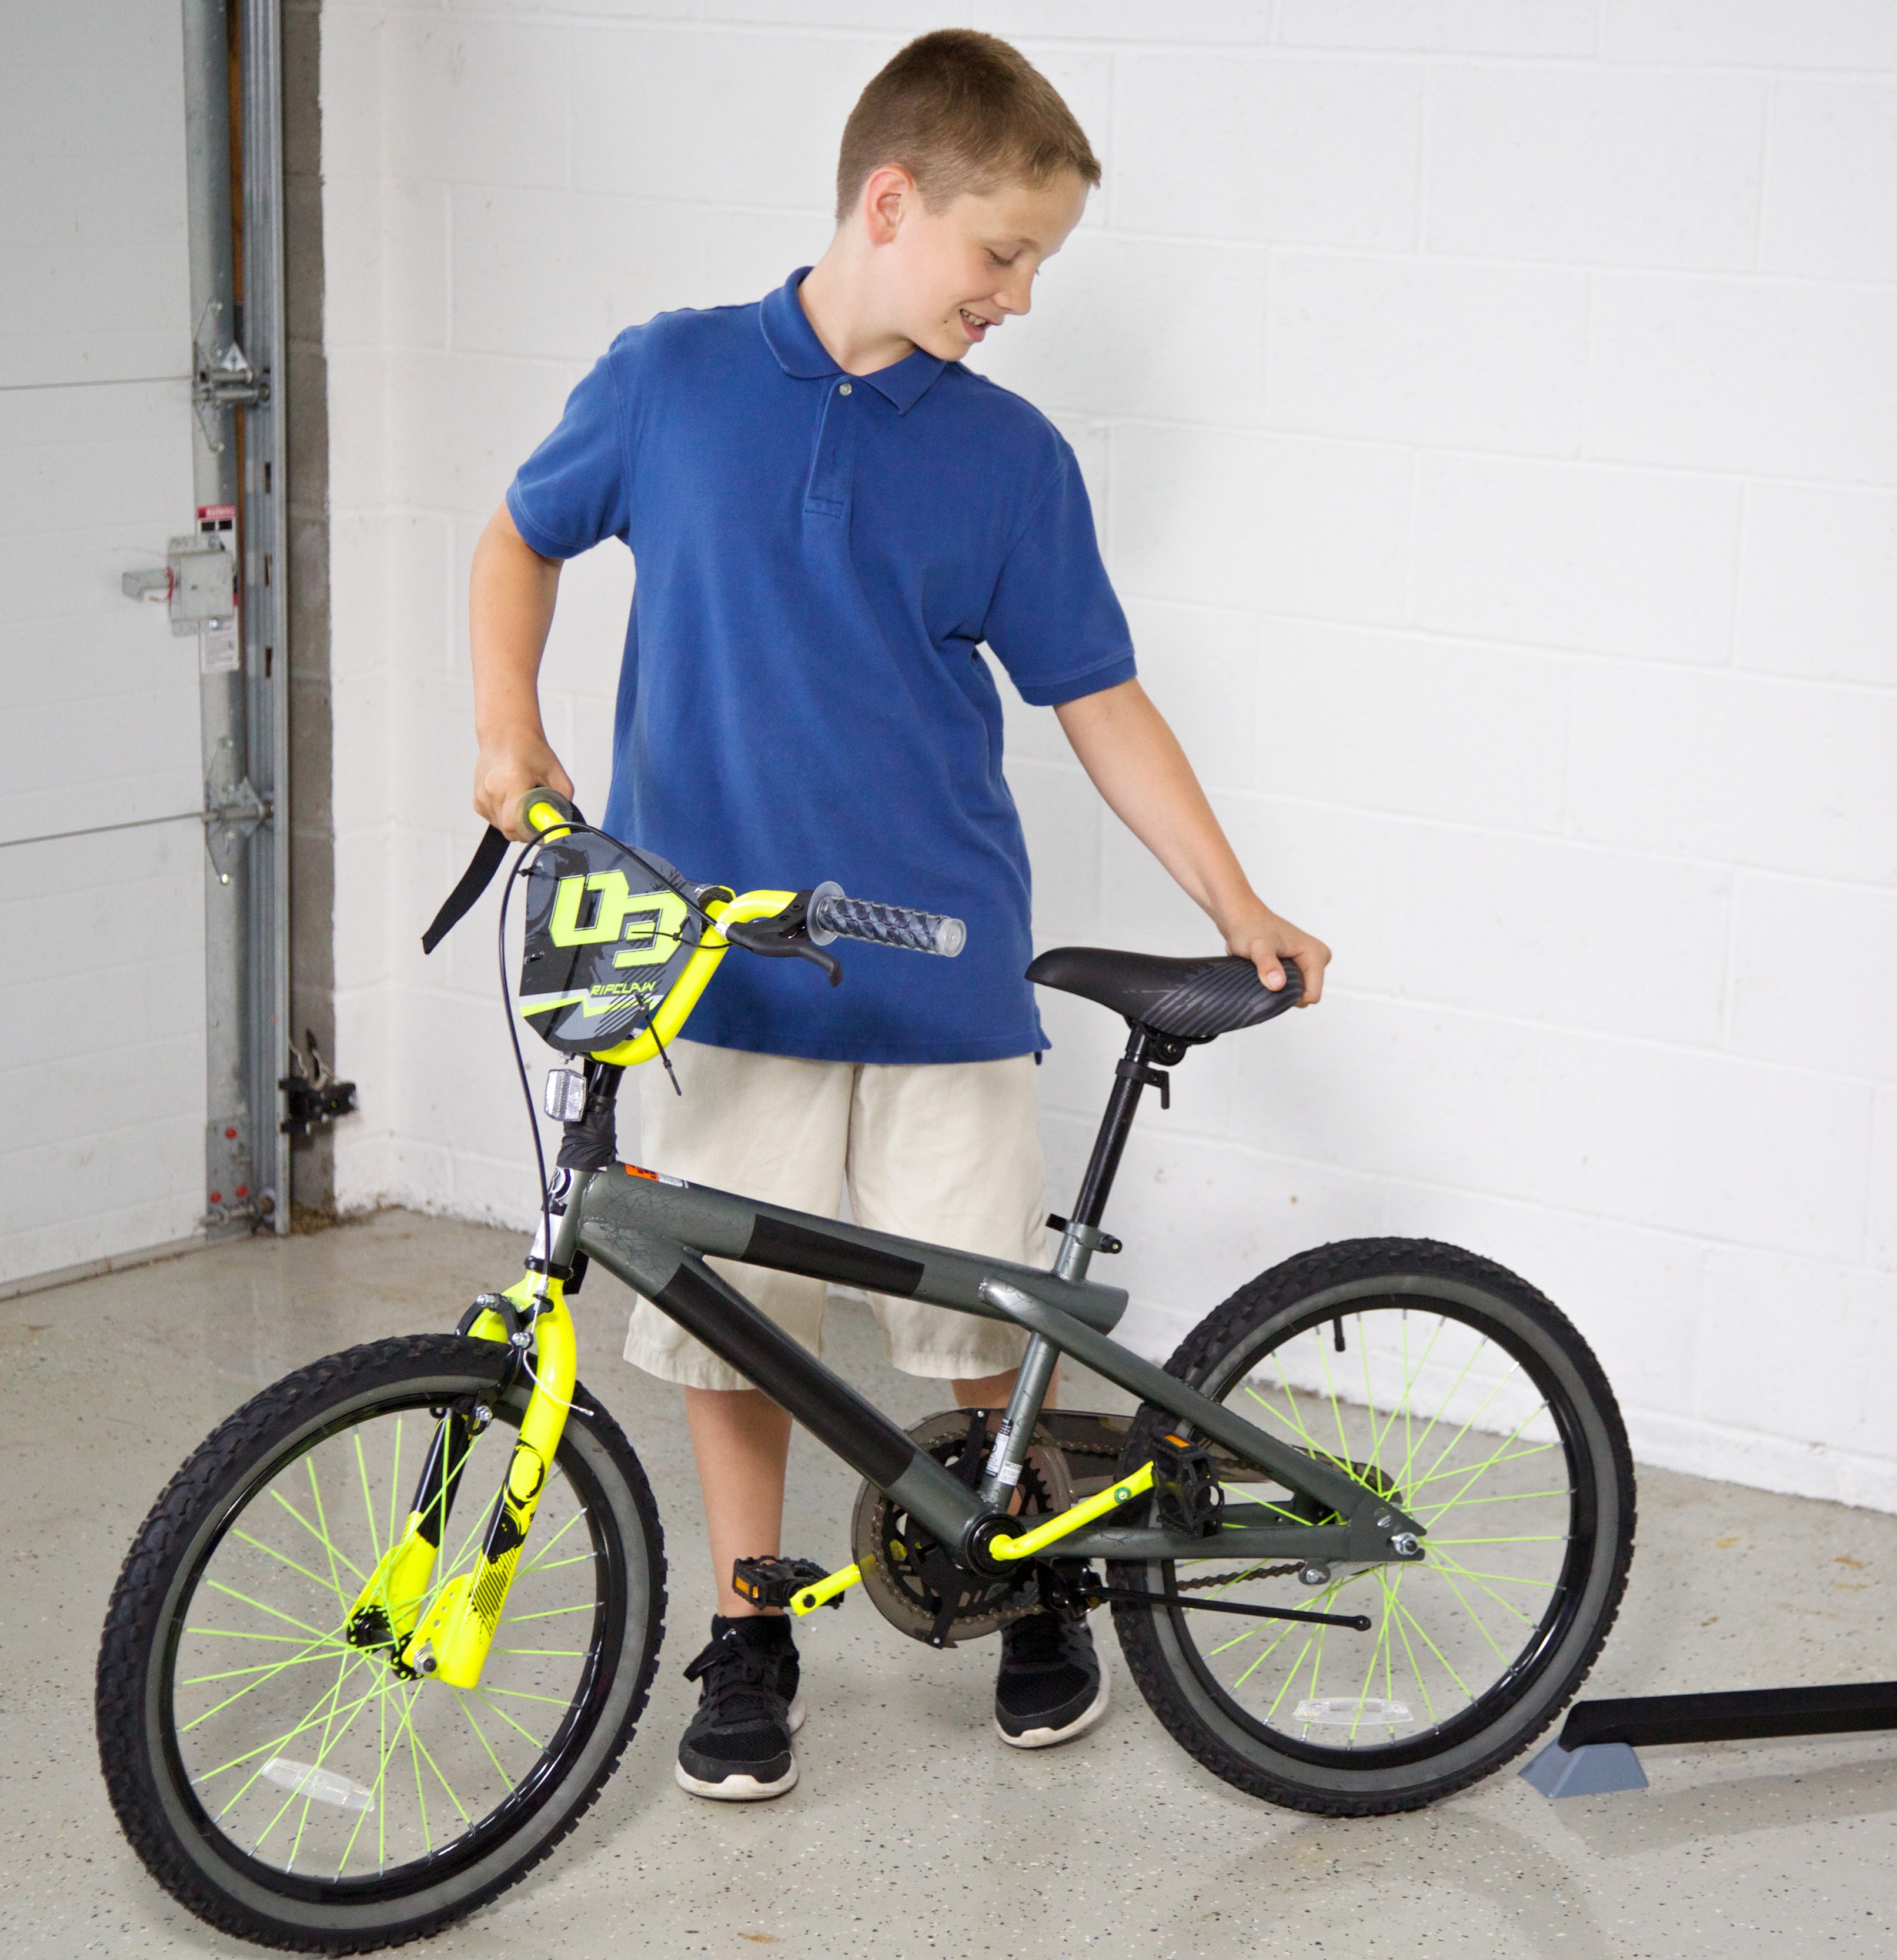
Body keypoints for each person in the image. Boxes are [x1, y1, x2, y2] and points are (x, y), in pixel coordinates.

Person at [466, 28, 1328, 1802]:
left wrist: (1236, 898)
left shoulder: (1009, 460)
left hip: (937, 970)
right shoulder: (673, 381)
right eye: (1001, 254)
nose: (1016, 297)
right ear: (890, 199)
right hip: (716, 967)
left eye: (1038, 266)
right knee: (723, 1317)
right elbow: (517, 535)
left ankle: (1026, 1591)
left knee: (976, 1329)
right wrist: (509, 732)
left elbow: (1098, 699)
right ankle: (750, 1622)